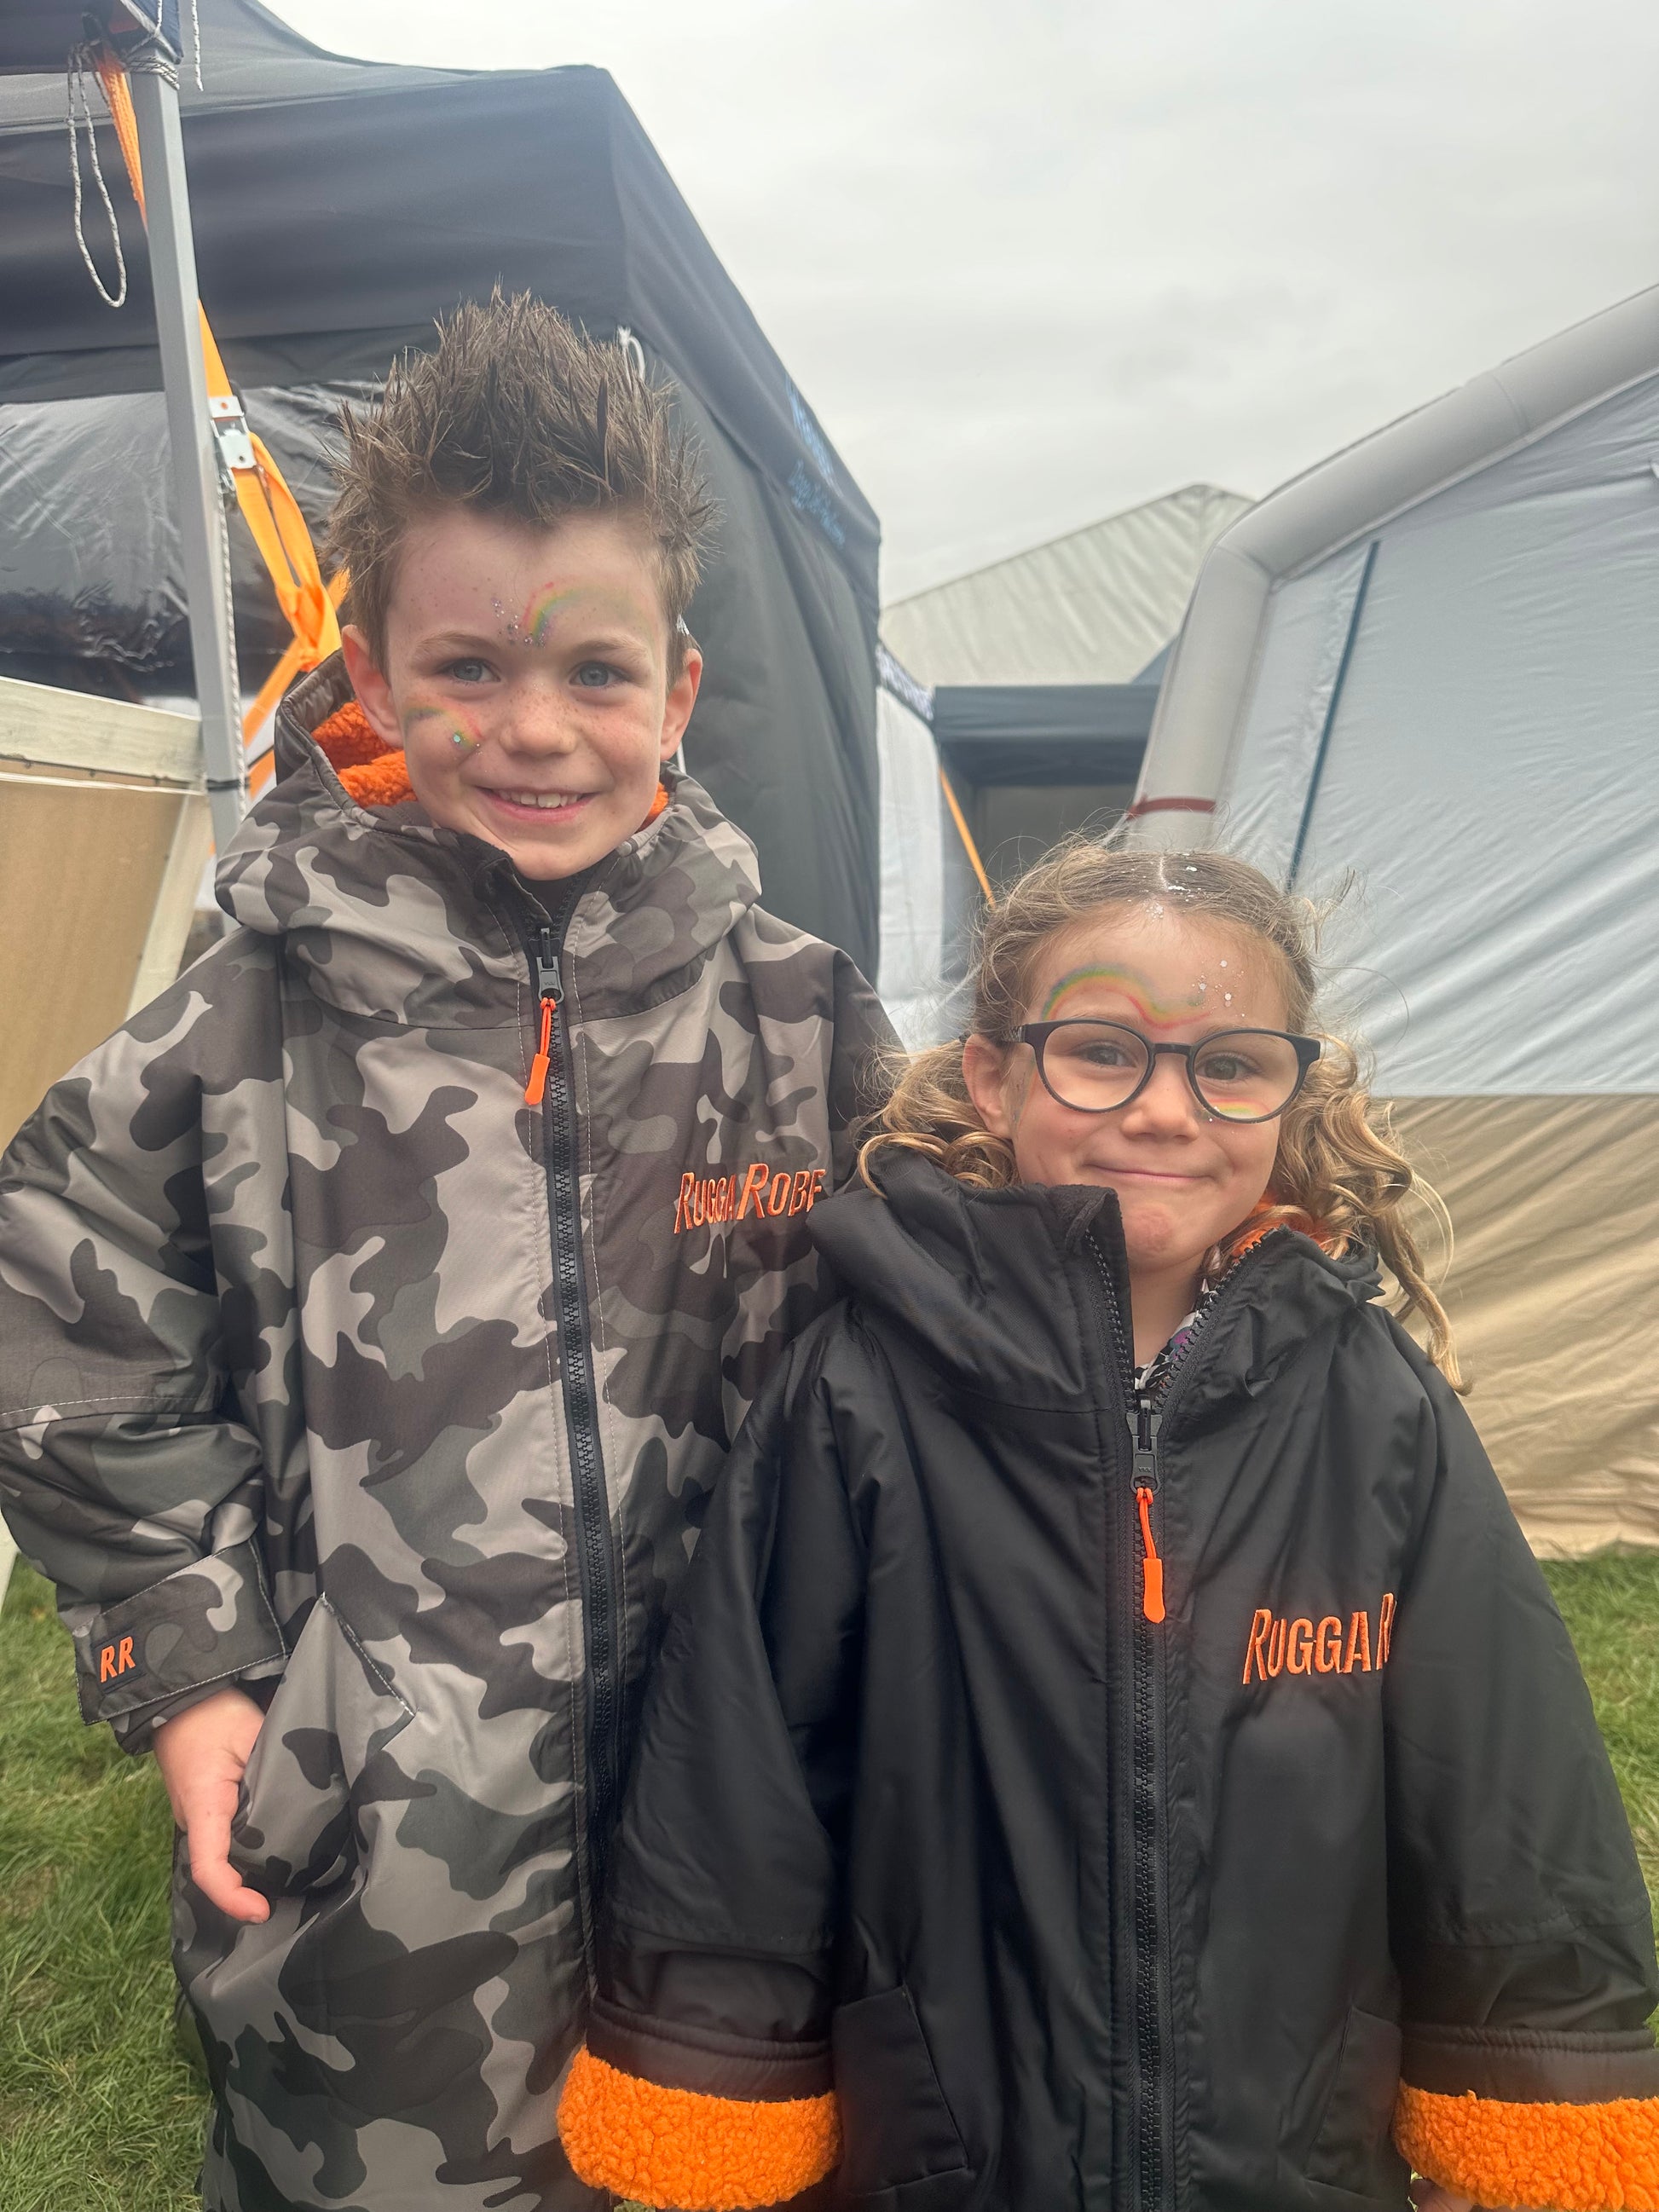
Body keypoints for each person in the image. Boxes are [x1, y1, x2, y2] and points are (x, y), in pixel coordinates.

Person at [0, 292, 891, 2209]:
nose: (534, 727)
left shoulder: (804, 1023)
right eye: (469, 666)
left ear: (678, 688)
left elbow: (971, 1321)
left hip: (746, 1842)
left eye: (593, 668)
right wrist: (197, 1665)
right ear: (375, 677)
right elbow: (63, 1304)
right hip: (378, 1886)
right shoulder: (248, 1014)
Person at [555, 843, 1659, 2212]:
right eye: (1099, 1053)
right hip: (948, 2146)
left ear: (1292, 1089)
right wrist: (714, 2060)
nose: (1163, 1112)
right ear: (993, 1075)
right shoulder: (861, 1390)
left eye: (1229, 1065)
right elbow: (743, 1751)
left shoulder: (1368, 1401)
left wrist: (1538, 2050)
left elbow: (1497, 1757)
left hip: (1294, 2150)